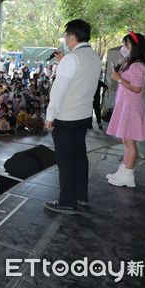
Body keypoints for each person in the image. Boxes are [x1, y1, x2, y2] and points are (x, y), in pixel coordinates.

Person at [43, 19, 101, 215]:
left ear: (73, 36)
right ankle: (81, 195)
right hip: (84, 115)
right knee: (79, 156)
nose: (65, 40)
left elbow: (58, 91)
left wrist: (50, 115)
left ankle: (67, 201)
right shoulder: (93, 57)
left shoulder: (71, 59)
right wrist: (64, 60)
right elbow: (81, 78)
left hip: (66, 117)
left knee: (65, 160)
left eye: (66, 36)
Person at [106, 32, 145, 188]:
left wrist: (119, 79)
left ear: (135, 47)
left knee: (130, 142)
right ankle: (123, 171)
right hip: (126, 105)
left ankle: (128, 175)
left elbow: (137, 88)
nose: (124, 47)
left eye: (127, 44)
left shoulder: (138, 65)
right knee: (126, 141)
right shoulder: (132, 63)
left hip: (131, 107)